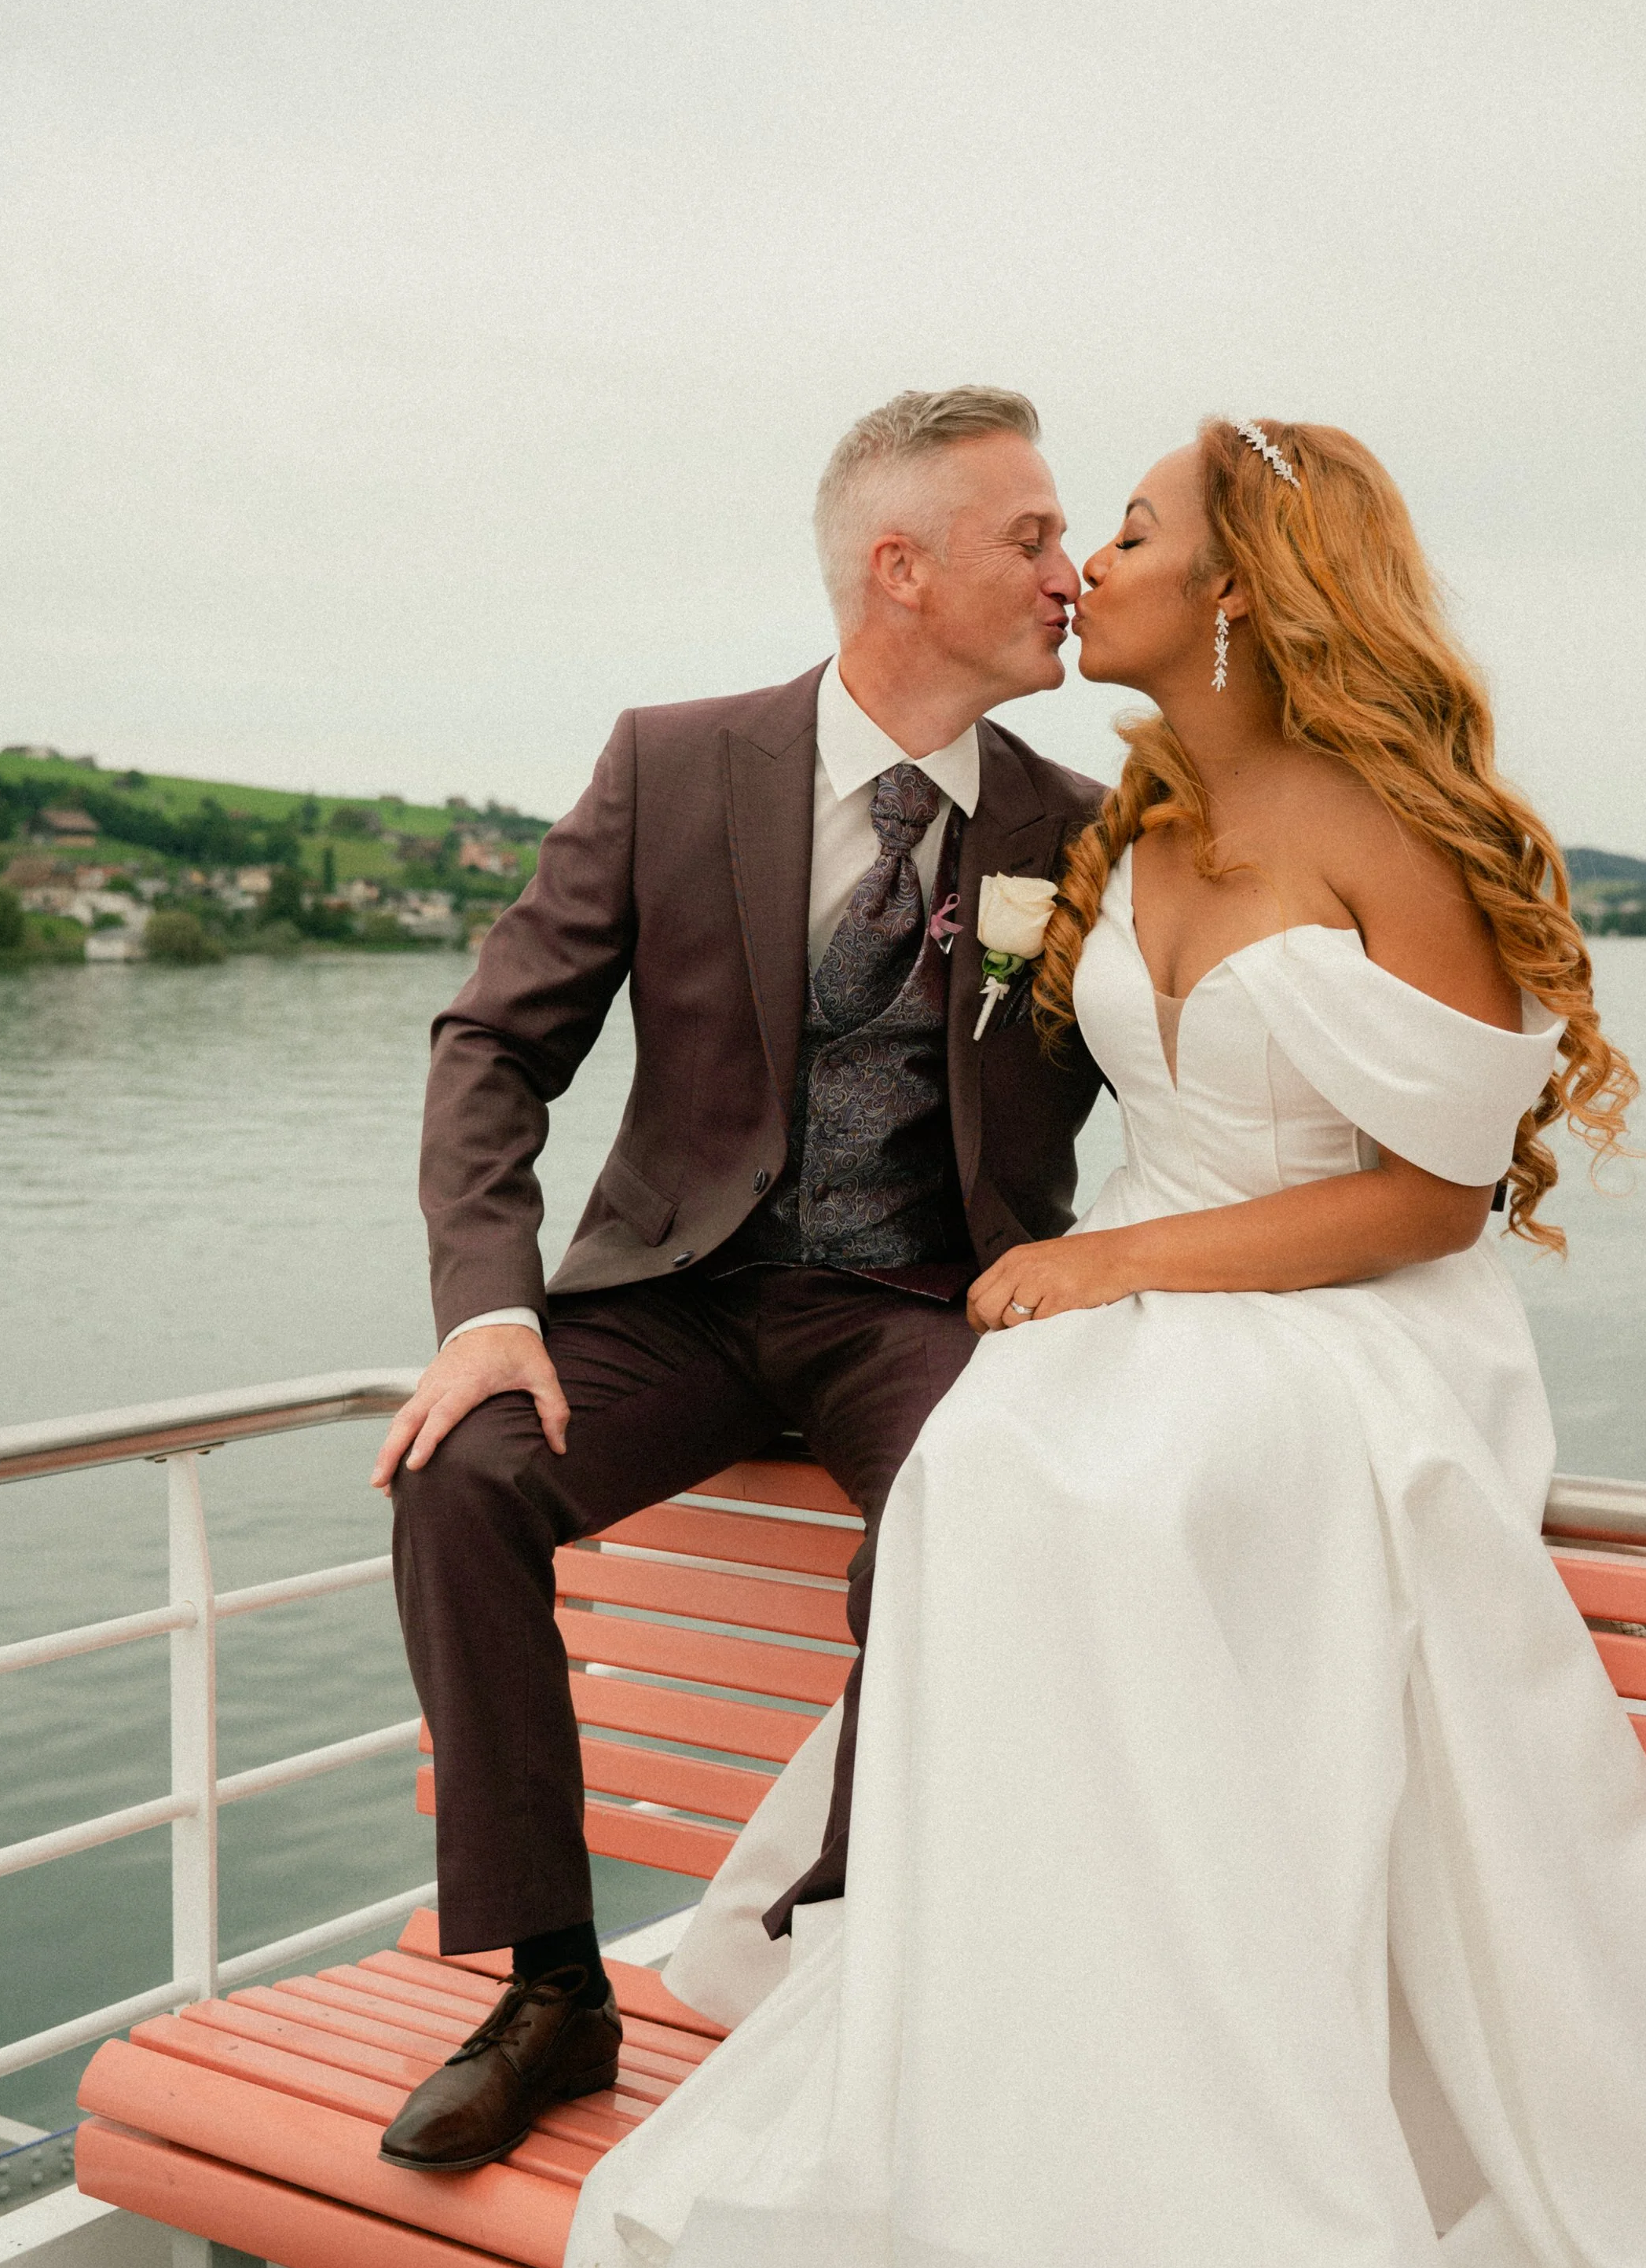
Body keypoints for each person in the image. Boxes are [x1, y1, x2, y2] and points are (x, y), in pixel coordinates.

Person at [559, 416, 1646, 2268]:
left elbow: (1434, 1190)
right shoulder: (1124, 823)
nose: (1085, 570)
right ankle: (1037, 2084)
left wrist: (1120, 1263)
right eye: (1066, 536)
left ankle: (1223, 2162)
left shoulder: (1380, 828)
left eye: (1126, 533)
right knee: (997, 1470)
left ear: (1239, 588)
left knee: (1118, 1486)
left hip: (1341, 1314)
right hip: (1137, 1302)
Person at [370, 387, 1104, 2172]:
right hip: (677, 1298)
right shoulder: (672, 761)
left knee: (973, 1508)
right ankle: (555, 1989)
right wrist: (491, 1308)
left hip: (924, 1308)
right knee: (459, 1479)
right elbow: (492, 1045)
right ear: (900, 568)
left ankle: (833, 1965)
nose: (1070, 577)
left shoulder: (1091, 828)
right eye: (1029, 540)